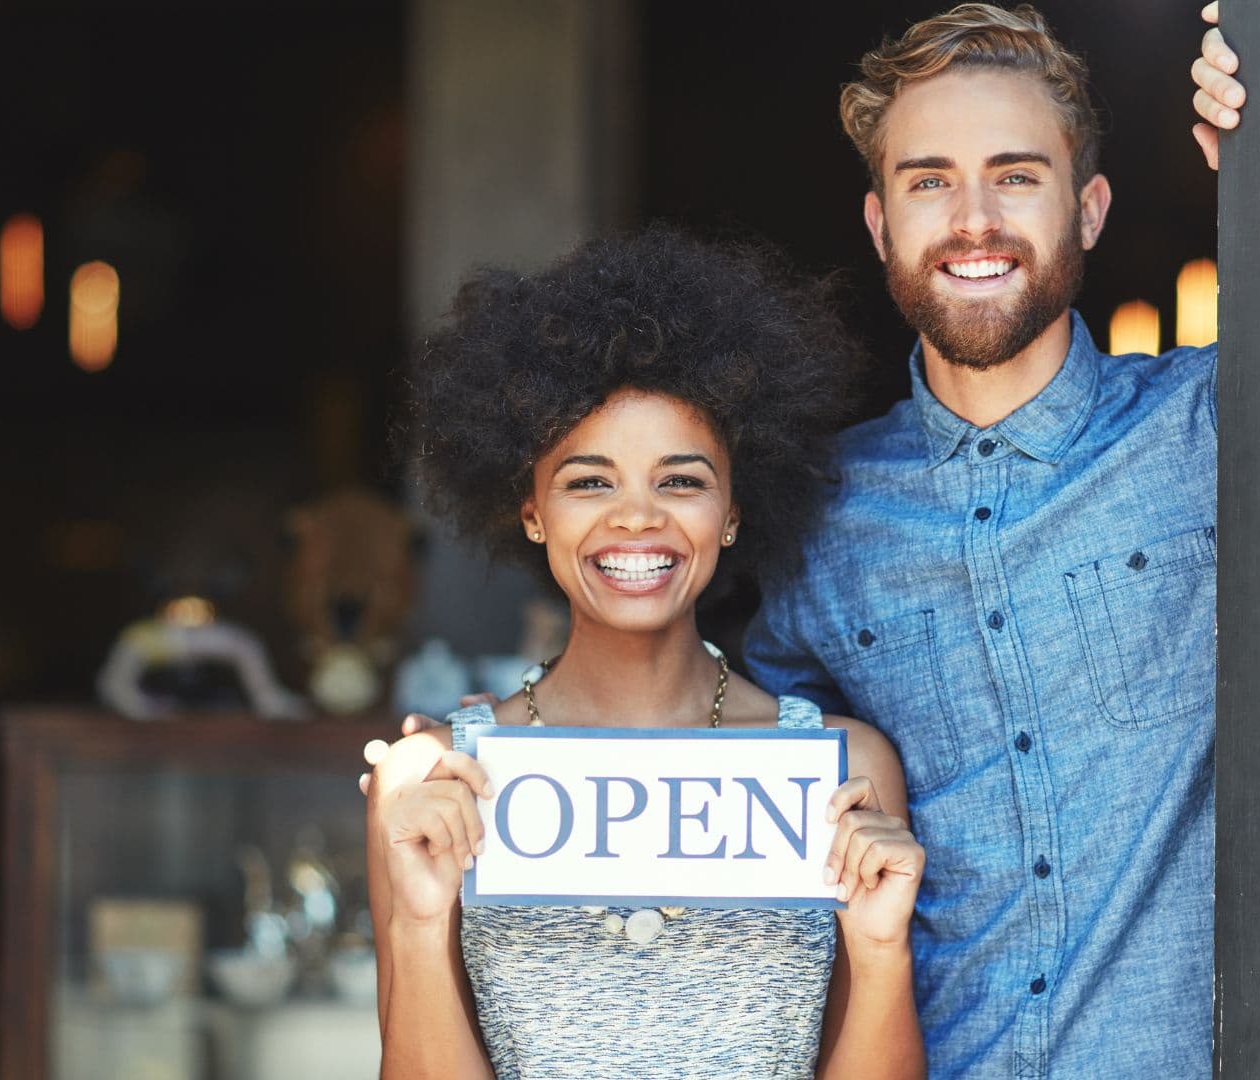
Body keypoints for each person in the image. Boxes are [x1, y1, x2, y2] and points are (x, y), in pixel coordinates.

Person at [380, 3, 1260, 1073]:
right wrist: (489, 769)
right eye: (930, 182)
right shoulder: (817, 511)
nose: (973, 220)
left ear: (1087, 208)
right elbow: (733, 801)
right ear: (879, 226)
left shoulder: (1229, 429)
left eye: (1015, 175)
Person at [363, 227, 928, 1079]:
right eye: (589, 481)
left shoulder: (841, 771)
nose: (636, 518)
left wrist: (882, 950)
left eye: (682, 480)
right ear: (532, 512)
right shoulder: (438, 780)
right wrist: (416, 924)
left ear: (733, 510)